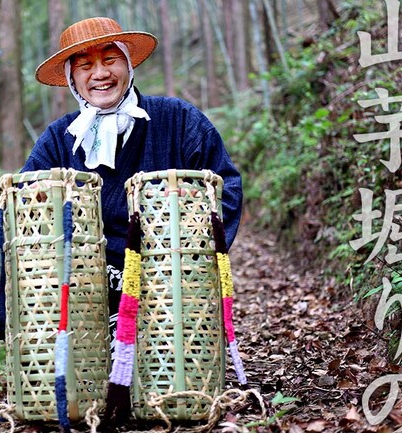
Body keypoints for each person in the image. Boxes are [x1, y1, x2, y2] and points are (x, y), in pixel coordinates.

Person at [21, 17, 243, 327]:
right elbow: (22, 207)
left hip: (174, 295)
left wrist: (192, 258)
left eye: (110, 60)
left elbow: (225, 186)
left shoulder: (177, 119)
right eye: (85, 66)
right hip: (88, 306)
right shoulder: (59, 140)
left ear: (128, 64)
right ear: (73, 78)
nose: (100, 74)